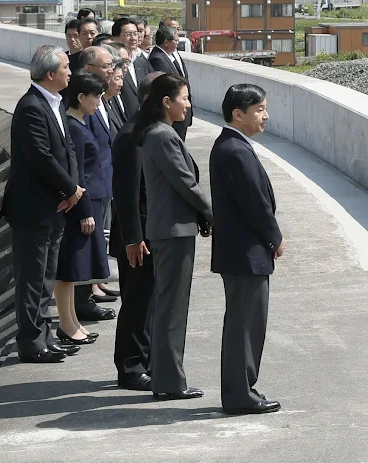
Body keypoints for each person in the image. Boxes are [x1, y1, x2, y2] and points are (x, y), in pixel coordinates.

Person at [0, 45, 84, 363]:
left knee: (46, 276)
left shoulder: (54, 102)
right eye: (65, 67)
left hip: (56, 204)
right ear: (50, 74)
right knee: (32, 278)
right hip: (32, 208)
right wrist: (68, 190)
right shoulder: (31, 107)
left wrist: (72, 189)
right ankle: (31, 343)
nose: (70, 72)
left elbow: (68, 149)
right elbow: (41, 159)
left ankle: (45, 336)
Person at [133, 74, 213, 400]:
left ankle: (167, 379)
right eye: (184, 98)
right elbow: (185, 184)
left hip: (172, 228)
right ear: (166, 102)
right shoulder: (162, 136)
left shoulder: (158, 133)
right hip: (172, 231)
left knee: (169, 306)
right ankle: (169, 382)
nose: (189, 104)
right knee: (171, 309)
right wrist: (212, 213)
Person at [209, 84, 285, 414]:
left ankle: (243, 389)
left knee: (247, 323)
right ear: (238, 114)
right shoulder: (235, 150)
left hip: (243, 253)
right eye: (259, 110)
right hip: (245, 253)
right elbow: (254, 203)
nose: (265, 115)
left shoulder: (235, 145)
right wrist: (275, 238)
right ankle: (240, 394)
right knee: (244, 325)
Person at [111, 71, 164, 391]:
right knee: (136, 303)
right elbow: (127, 194)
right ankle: (130, 367)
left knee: (147, 302)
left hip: (148, 232)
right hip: (137, 236)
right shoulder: (132, 137)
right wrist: (134, 238)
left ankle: (144, 360)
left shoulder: (150, 132)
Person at [55, 71, 111, 346]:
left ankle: (73, 321)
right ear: (80, 97)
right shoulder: (73, 126)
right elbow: (78, 175)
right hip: (81, 204)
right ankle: (67, 324)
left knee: (77, 269)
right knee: (70, 267)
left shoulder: (80, 122)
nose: (99, 103)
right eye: (96, 97)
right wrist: (84, 211)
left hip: (92, 199)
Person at [148, 27, 191, 141]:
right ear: (166, 42)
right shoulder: (158, 59)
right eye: (175, 40)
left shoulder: (169, 56)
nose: (178, 43)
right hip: (171, 111)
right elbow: (163, 86)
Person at [113, 18, 154, 116]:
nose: (133, 38)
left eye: (135, 34)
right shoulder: (112, 64)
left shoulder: (141, 61)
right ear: (115, 37)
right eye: (128, 34)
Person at [103, 61, 125, 132]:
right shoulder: (98, 106)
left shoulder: (111, 102)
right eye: (117, 78)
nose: (121, 84)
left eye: (122, 78)